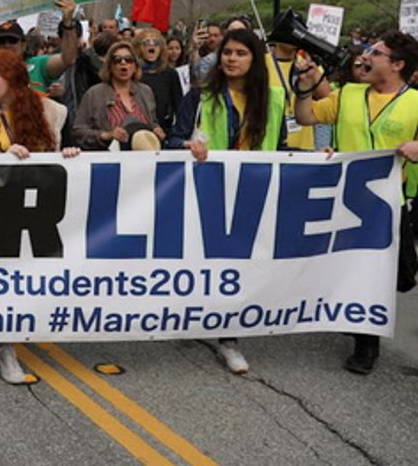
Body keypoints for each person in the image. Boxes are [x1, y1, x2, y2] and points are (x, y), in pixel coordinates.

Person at [294, 31, 418, 375]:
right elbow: (306, 117)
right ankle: (366, 343)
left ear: (397, 64)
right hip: (346, 200)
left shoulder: (415, 102)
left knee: (404, 275)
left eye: (376, 53)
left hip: (388, 202)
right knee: (364, 271)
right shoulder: (348, 93)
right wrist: (303, 88)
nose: (366, 57)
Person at [0, 48, 79, 383]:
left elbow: (67, 157)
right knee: (2, 282)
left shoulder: (55, 113)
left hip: (41, 212)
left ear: (11, 78)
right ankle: (5, 347)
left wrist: (71, 153)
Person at [167, 28, 286, 375]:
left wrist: (320, 156)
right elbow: (174, 139)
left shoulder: (275, 99)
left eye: (240, 53)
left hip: (252, 190)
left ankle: (228, 338)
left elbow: (281, 149)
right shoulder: (200, 96)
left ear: (255, 60)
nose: (232, 59)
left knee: (239, 265)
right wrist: (188, 146)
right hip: (208, 189)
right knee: (204, 260)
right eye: (227, 53)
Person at [0, 0, 78, 101]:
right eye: (2, 41)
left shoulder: (39, 65)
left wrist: (68, 22)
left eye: (12, 40)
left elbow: (68, 59)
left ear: (23, 45)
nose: (7, 45)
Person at [72, 41, 162, 151]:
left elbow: (152, 123)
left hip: (143, 159)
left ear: (135, 66)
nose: (123, 63)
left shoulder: (146, 92)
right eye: (117, 60)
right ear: (109, 66)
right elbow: (78, 132)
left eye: (129, 60)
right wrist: (106, 135)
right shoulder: (94, 94)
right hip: (109, 158)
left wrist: (156, 130)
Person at [134, 29, 183, 133]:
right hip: (138, 129)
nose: (151, 45)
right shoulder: (133, 73)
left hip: (165, 130)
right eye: (146, 42)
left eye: (156, 42)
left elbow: (179, 105)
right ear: (139, 47)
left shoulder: (170, 73)